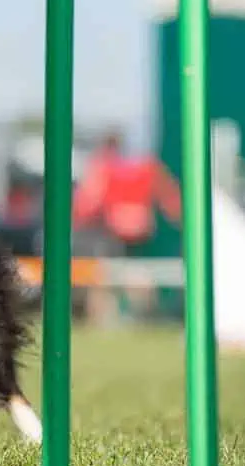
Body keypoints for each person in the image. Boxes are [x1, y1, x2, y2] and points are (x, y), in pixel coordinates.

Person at [72, 129, 182, 322]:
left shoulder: (104, 167)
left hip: (112, 231)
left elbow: (88, 202)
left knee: (103, 277)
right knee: (136, 273)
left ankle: (106, 319)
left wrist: (79, 220)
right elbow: (170, 198)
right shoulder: (146, 167)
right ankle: (143, 316)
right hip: (140, 230)